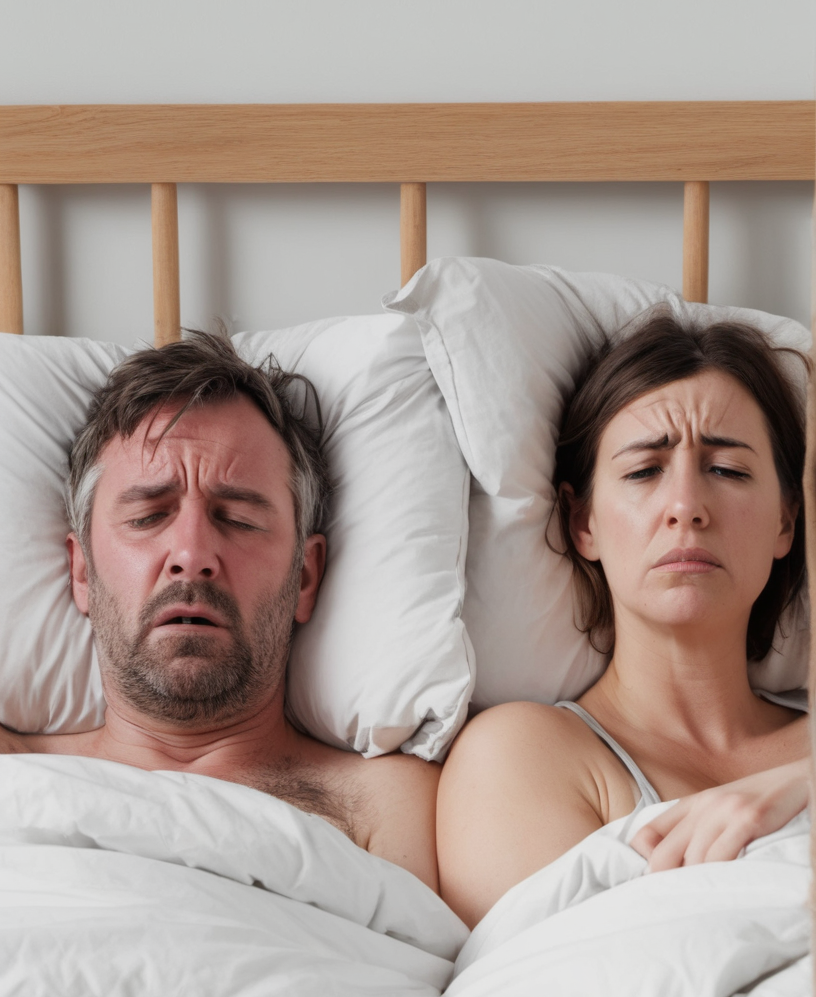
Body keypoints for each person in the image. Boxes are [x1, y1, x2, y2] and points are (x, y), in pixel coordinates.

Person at [0, 332, 440, 891]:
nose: (191, 557)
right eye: (147, 516)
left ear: (304, 576)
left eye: (237, 518)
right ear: (82, 572)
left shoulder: (386, 805)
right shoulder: (11, 772)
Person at [437, 309, 812, 928]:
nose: (687, 506)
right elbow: (542, 995)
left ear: (785, 522)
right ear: (583, 522)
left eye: (728, 470)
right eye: (643, 471)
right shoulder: (522, 757)